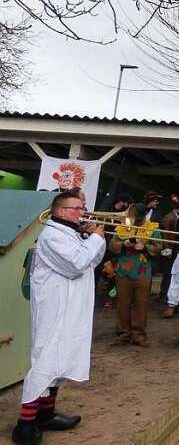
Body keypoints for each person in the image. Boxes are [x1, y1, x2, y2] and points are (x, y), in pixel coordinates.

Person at [13, 191, 106, 445]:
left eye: (82, 207)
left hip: (71, 309)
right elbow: (76, 264)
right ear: (61, 211)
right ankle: (25, 424)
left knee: (62, 360)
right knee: (45, 362)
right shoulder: (52, 235)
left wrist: (94, 238)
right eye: (77, 208)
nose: (83, 212)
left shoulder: (71, 234)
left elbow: (92, 261)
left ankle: (45, 413)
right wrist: (95, 239)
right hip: (54, 311)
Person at [109, 204, 162, 347]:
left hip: (143, 272)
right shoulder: (122, 226)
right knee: (123, 304)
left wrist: (144, 247)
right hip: (123, 271)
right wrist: (123, 244)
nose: (134, 218)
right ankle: (123, 333)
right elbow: (112, 245)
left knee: (141, 304)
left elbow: (159, 247)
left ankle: (138, 335)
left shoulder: (153, 228)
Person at [158, 196, 179, 306]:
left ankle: (168, 298)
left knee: (172, 274)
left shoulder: (178, 217)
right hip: (170, 249)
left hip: (175, 249)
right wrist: (167, 248)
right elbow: (165, 235)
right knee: (168, 275)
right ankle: (164, 297)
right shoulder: (169, 218)